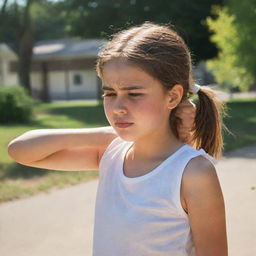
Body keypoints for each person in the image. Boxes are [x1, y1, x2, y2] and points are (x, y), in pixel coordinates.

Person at [8, 22, 227, 256]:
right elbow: (20, 150)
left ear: (172, 96)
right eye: (109, 93)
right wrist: (107, 133)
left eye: (134, 94)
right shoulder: (110, 154)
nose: (118, 107)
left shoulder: (193, 173)